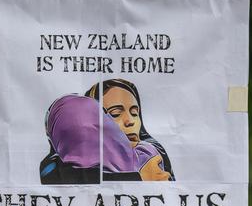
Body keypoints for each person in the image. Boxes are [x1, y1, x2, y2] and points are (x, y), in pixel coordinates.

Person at [39, 79, 172, 184]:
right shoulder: (55, 168)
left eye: (135, 113)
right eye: (115, 114)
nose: (130, 121)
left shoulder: (150, 154)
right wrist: (137, 178)